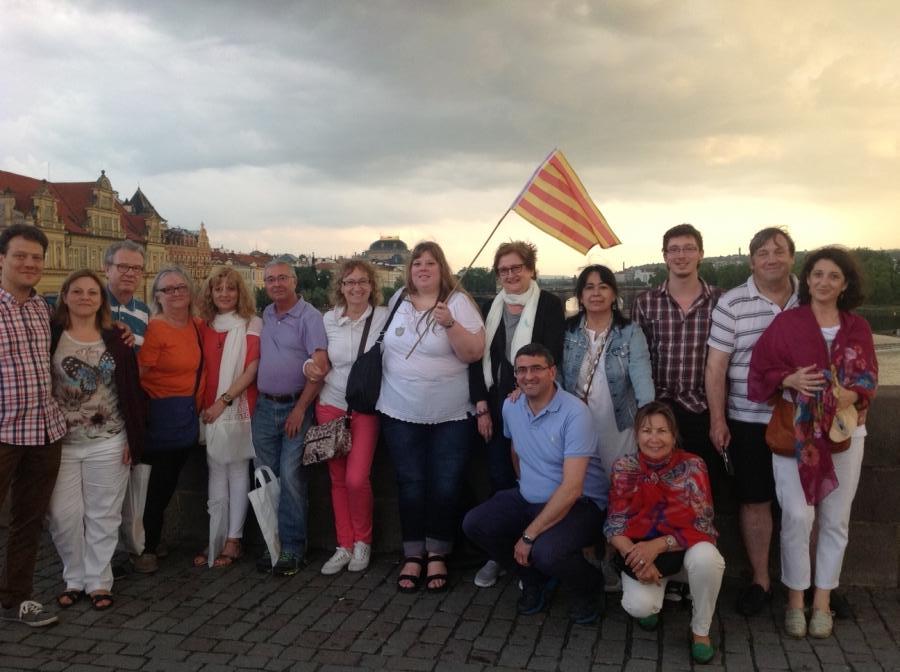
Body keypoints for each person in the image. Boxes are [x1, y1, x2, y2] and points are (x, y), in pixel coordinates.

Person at [749, 247, 877, 639]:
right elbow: (760, 370)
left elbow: (869, 377)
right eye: (818, 274)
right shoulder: (787, 324)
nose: (824, 282)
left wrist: (853, 394)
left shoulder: (857, 327)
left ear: (845, 284)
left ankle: (822, 600)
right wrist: (788, 379)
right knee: (797, 517)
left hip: (843, 433)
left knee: (835, 519)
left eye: (833, 276)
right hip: (797, 433)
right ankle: (795, 599)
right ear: (807, 280)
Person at [463, 343, 607, 624]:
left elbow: (572, 488)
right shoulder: (511, 405)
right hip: (529, 496)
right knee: (475, 523)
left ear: (552, 372)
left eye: (536, 369)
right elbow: (516, 450)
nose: (528, 376)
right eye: (522, 370)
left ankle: (589, 585)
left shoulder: (575, 413)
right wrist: (525, 484)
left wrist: (529, 536)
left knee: (546, 551)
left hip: (580, 503)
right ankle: (533, 578)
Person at [378, 241, 485, 593]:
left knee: (445, 484)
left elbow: (474, 353)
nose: (423, 269)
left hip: (450, 415)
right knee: (410, 483)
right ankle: (412, 554)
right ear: (410, 270)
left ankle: (438, 552)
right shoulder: (398, 300)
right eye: (417, 263)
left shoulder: (458, 302)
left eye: (430, 263)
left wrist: (449, 323)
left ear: (442, 269)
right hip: (399, 410)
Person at [705, 227, 799, 616]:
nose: (771, 258)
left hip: (803, 421)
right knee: (754, 499)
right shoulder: (731, 303)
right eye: (763, 253)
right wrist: (718, 419)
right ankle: (761, 580)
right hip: (747, 418)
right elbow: (716, 367)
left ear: (792, 257)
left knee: (804, 505)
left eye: (779, 251)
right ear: (751, 261)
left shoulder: (810, 298)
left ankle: (806, 584)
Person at [631, 223, 723, 603]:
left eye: (688, 248)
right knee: (657, 496)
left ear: (700, 253)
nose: (681, 255)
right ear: (665, 256)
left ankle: (695, 572)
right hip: (660, 412)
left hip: (702, 410)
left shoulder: (720, 301)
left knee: (699, 497)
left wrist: (719, 417)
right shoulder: (646, 302)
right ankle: (664, 570)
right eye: (674, 249)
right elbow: (638, 359)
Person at [47, 270, 145, 611]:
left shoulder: (116, 337)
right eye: (77, 291)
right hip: (62, 441)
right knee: (63, 516)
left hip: (109, 438)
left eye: (92, 292)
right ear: (65, 296)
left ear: (101, 299)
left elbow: (131, 389)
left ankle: (99, 580)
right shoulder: (51, 334)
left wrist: (133, 437)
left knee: (105, 514)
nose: (85, 297)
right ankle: (74, 576)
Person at [468, 241, 564, 589]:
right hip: (496, 407)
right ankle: (501, 553)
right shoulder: (489, 307)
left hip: (535, 407)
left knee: (535, 481)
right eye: (503, 270)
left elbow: (552, 355)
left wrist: (524, 388)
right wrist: (481, 404)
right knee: (499, 479)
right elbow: (476, 359)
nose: (510, 275)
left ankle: (534, 549)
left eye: (516, 268)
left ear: (531, 269)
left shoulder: (549, 305)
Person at [605, 402, 724, 664]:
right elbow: (614, 525)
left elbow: (704, 525)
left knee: (708, 559)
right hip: (639, 552)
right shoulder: (624, 467)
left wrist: (657, 545)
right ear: (637, 434)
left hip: (683, 549)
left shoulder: (693, 465)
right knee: (640, 606)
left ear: (674, 435)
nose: (654, 438)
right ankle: (655, 596)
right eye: (647, 431)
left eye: (662, 431)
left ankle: (700, 630)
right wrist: (638, 559)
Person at [559, 264, 654, 592]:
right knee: (583, 492)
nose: (596, 293)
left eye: (603, 286)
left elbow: (642, 378)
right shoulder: (568, 331)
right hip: (577, 426)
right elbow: (558, 378)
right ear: (580, 295)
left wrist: (648, 422)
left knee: (620, 491)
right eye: (589, 287)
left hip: (618, 426)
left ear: (614, 294)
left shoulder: (630, 332)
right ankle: (588, 553)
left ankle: (613, 555)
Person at [0, 224, 67, 627]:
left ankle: (19, 598)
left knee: (28, 520)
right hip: (3, 432)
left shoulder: (43, 307)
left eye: (36, 257)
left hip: (44, 431)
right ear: (2, 259)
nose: (29, 263)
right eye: (20, 256)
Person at [307, 260, 387, 575]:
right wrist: (307, 367)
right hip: (330, 405)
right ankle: (345, 544)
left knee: (356, 479)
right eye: (349, 282)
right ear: (340, 287)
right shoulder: (329, 319)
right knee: (338, 481)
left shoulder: (382, 317)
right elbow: (316, 357)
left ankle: (363, 541)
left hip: (364, 409)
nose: (356, 287)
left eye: (362, 281)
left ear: (372, 286)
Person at [252, 258, 328, 576]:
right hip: (264, 407)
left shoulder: (310, 317)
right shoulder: (266, 315)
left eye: (283, 278)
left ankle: (293, 548)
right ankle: (271, 543)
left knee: (291, 476)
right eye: (270, 279)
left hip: (296, 406)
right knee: (265, 477)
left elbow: (320, 367)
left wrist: (300, 409)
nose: (277, 284)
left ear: (295, 281)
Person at [134, 266, 204, 574]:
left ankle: (152, 539)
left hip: (185, 415)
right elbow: (138, 375)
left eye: (181, 287)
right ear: (157, 296)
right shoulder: (155, 329)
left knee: (168, 481)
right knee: (155, 485)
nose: (175, 293)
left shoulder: (197, 325)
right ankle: (146, 547)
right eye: (167, 289)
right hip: (158, 416)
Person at [194, 267, 262, 568]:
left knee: (236, 470)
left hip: (237, 406)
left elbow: (251, 369)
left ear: (240, 292)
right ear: (210, 293)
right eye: (218, 288)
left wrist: (224, 402)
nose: (224, 294)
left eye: (230, 288)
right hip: (208, 408)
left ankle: (234, 539)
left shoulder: (252, 323)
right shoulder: (203, 325)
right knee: (215, 472)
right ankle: (216, 536)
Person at [104, 240, 150, 349]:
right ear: (107, 269)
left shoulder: (145, 312)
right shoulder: (90, 305)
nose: (130, 273)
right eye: (123, 266)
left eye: (136, 268)